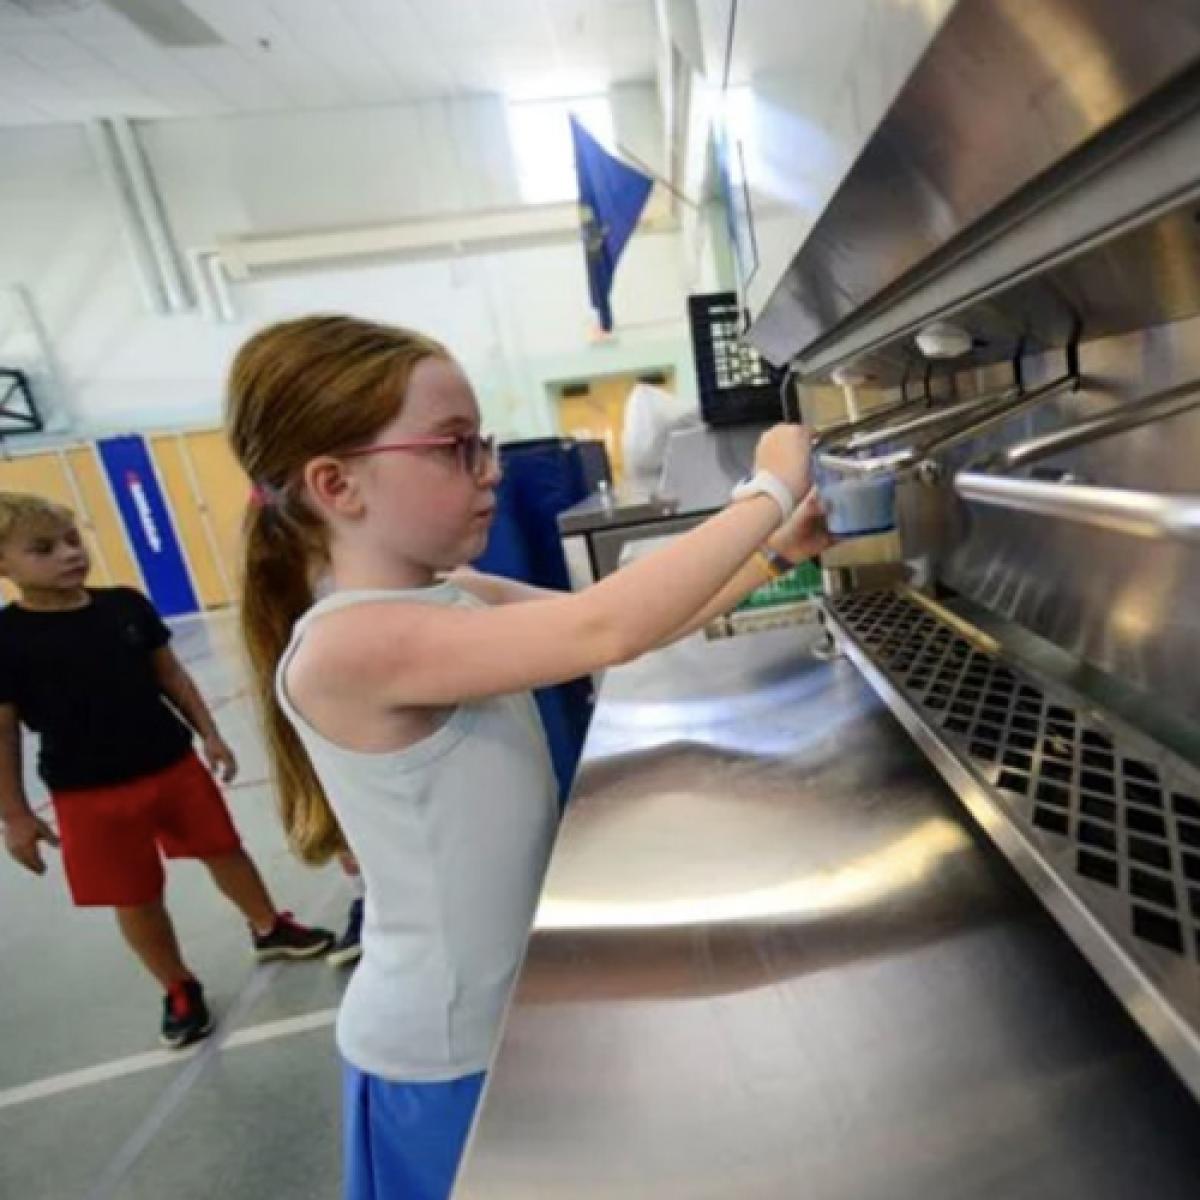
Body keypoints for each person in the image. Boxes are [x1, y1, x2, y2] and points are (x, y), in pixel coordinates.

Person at [226, 314, 830, 1200]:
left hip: (505, 1019)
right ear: (336, 484)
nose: (490, 470)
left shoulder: (451, 597)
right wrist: (767, 490)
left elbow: (626, 624)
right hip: (447, 1051)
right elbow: (606, 624)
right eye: (455, 448)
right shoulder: (350, 647)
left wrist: (775, 551)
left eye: (486, 443)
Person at [0, 493, 336, 1050]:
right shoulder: (6, 639)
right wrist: (15, 814)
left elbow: (172, 677)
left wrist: (210, 733)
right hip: (86, 791)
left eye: (72, 541)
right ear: (4, 565)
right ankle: (177, 985)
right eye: (43, 549)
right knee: (133, 894)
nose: (67, 555)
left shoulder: (125, 607)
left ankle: (268, 925)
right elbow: (4, 729)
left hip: (169, 763)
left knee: (223, 848)